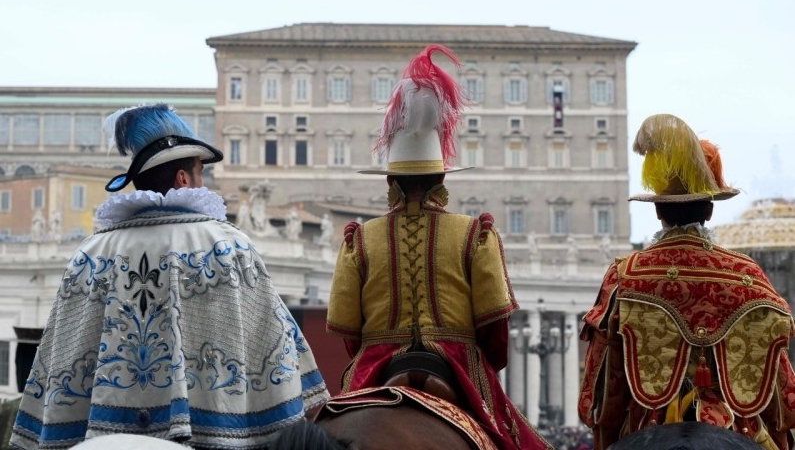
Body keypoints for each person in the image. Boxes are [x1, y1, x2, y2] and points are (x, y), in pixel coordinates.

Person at [10, 104, 329, 450]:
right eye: (200, 173)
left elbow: (62, 357)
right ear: (183, 179)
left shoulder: (90, 254)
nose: (203, 182)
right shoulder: (230, 246)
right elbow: (274, 348)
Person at [326, 45, 551, 450]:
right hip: (456, 363)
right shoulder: (475, 234)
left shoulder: (358, 240)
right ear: (442, 178)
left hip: (377, 364)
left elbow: (347, 331)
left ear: (390, 181)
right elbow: (495, 331)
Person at [578, 114, 795, 450]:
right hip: (740, 431)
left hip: (647, 428)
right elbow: (782, 393)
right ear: (709, 211)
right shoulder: (749, 274)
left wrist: (606, 435)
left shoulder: (627, 273)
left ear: (658, 212)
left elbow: (606, 385)